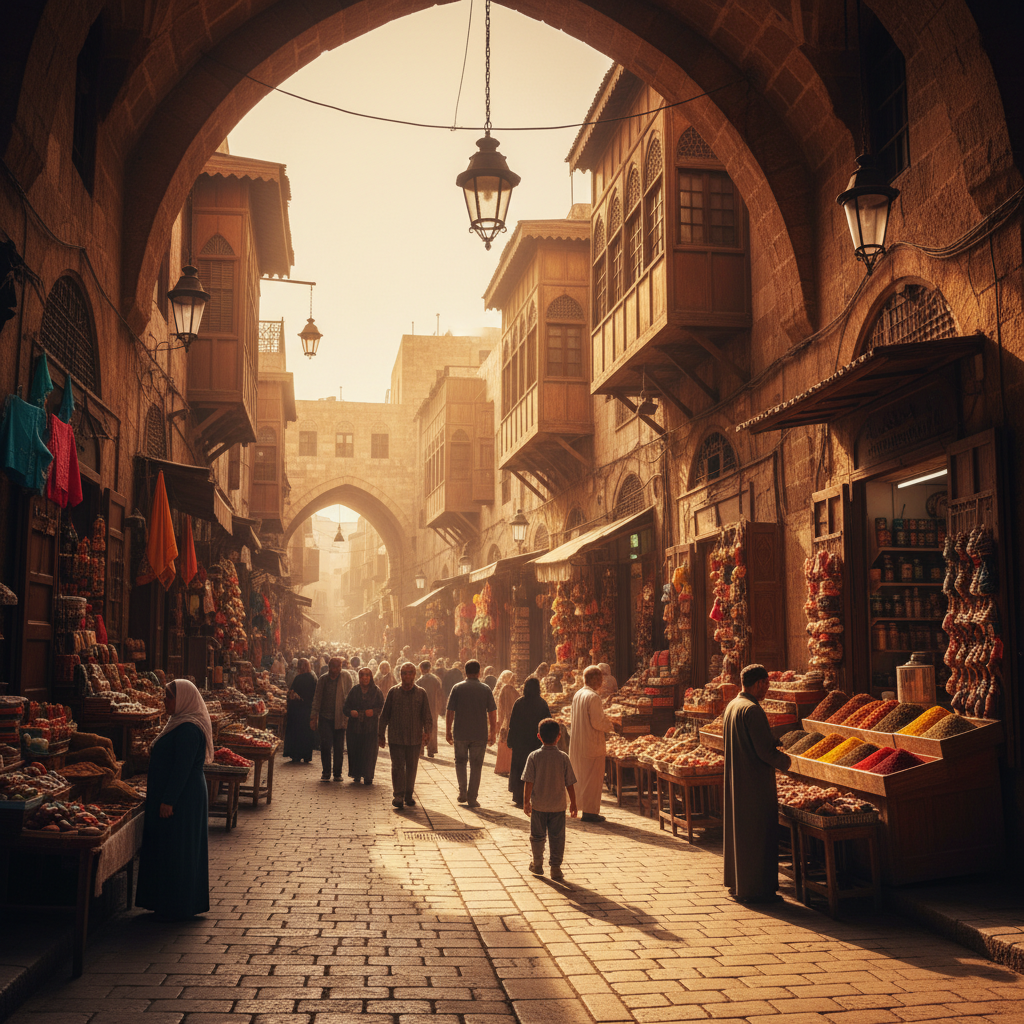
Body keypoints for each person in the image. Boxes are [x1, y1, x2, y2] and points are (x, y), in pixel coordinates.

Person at [136, 679, 212, 919]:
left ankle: (179, 903)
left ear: (183, 700)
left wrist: (168, 800)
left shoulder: (189, 728)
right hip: (179, 794)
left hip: (183, 798)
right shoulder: (178, 722)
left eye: (168, 697)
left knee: (179, 847)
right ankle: (169, 901)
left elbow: (182, 768)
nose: (164, 701)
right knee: (172, 846)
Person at [723, 663, 792, 904]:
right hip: (755, 782)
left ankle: (739, 883)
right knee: (759, 834)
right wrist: (788, 762)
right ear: (760, 683)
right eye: (767, 684)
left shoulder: (733, 705)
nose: (767, 689)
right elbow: (765, 751)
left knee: (740, 834)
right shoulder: (752, 709)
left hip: (738, 779)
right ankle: (757, 890)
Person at [522, 717, 577, 881]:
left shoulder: (533, 756)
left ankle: (537, 864)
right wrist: (573, 803)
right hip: (558, 807)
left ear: (539, 736)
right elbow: (570, 784)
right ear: (559, 736)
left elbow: (528, 782)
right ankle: (555, 868)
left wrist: (526, 802)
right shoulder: (563, 758)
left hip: (539, 805)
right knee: (557, 837)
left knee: (537, 836)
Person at [378, 662, 432, 809]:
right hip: (396, 737)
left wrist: (427, 732)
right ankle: (398, 795)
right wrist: (380, 734)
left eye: (410, 673)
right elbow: (385, 715)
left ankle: (408, 794)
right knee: (397, 766)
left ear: (414, 675)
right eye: (404, 673)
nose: (407, 675)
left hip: (414, 738)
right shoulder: (393, 692)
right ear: (400, 675)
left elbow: (427, 715)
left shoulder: (421, 693)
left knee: (412, 767)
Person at [445, 659, 497, 808]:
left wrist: (448, 730)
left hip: (460, 733)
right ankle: (472, 798)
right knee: (476, 766)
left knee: (460, 762)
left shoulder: (457, 688)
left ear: (465, 672)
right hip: (479, 734)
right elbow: (492, 713)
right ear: (479, 672)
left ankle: (462, 792)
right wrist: (493, 733)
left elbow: (450, 711)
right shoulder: (486, 689)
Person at [568, 664, 615, 822]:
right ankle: (590, 812)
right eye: (601, 679)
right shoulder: (593, 697)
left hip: (579, 743)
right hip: (591, 744)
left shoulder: (578, 694)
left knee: (581, 777)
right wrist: (612, 725)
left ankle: (578, 806)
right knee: (593, 780)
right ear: (597, 680)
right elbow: (597, 722)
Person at [506, 676, 550, 808]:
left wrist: (511, 740)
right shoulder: (542, 704)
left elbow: (512, 724)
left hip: (520, 743)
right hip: (535, 742)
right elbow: (547, 723)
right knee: (534, 769)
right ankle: (533, 795)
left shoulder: (519, 703)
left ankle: (519, 796)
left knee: (520, 768)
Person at [311, 657, 353, 781]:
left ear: (341, 667)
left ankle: (337, 773)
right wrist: (313, 716)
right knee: (325, 745)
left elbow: (349, 696)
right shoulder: (323, 679)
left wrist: (349, 715)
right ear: (329, 667)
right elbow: (317, 698)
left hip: (340, 717)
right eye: (333, 667)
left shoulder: (346, 677)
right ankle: (326, 772)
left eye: (338, 667)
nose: (335, 670)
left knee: (339, 747)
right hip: (325, 717)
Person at [343, 666, 384, 784]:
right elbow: (345, 707)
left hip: (370, 728)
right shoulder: (354, 691)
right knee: (355, 751)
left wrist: (374, 712)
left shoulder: (376, 691)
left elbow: (382, 708)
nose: (365, 678)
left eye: (367, 675)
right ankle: (356, 774)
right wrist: (351, 712)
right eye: (362, 675)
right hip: (354, 728)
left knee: (369, 752)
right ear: (359, 677)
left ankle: (368, 775)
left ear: (371, 677)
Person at [284, 657, 317, 764]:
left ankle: (296, 755)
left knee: (296, 732)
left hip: (297, 710)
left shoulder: (299, 678)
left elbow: (292, 692)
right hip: (308, 709)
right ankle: (306, 755)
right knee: (307, 732)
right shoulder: (313, 677)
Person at [493, 671, 519, 777]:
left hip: (505, 721)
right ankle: (508, 767)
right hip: (512, 721)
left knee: (504, 744)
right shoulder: (512, 690)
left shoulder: (504, 689)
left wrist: (499, 722)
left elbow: (500, 708)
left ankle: (502, 768)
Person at [417, 660, 444, 757]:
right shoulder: (436, 679)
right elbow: (440, 694)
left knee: (421, 727)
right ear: (430, 668)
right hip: (433, 707)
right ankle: (431, 749)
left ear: (421, 669)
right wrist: (439, 707)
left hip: (422, 708)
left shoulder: (419, 680)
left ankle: (421, 749)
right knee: (432, 727)